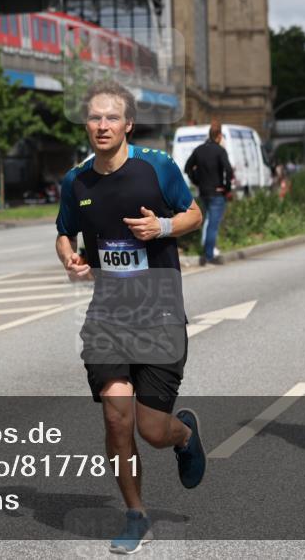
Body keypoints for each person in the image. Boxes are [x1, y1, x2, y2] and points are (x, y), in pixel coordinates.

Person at [55, 79, 205, 553]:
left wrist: (161, 226)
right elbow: (64, 231)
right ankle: (135, 514)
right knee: (118, 420)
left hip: (159, 311)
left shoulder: (157, 168)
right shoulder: (75, 180)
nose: (102, 125)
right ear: (87, 123)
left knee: (151, 430)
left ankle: (183, 434)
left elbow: (194, 214)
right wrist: (69, 257)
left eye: (111, 117)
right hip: (107, 316)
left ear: (128, 124)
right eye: (95, 117)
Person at [184, 121, 234, 265]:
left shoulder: (199, 150)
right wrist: (226, 187)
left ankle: (206, 250)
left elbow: (187, 168)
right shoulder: (220, 151)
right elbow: (229, 171)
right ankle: (209, 255)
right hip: (217, 193)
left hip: (203, 192)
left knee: (206, 221)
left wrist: (196, 181)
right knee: (213, 224)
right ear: (218, 136)